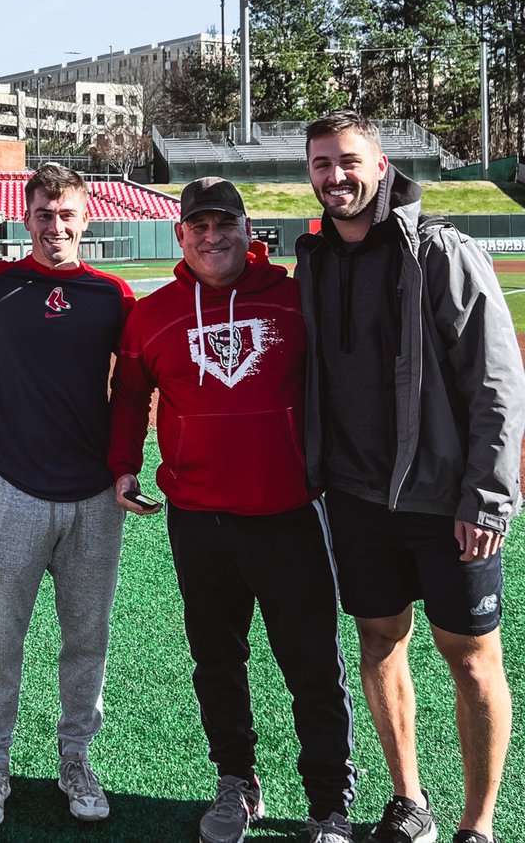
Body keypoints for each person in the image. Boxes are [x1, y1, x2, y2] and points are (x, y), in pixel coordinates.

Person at [298, 111, 524, 843]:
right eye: (322, 164)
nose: (336, 176)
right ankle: (410, 802)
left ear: (381, 162)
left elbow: (496, 385)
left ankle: (479, 825)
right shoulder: (315, 260)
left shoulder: (441, 252)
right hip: (357, 500)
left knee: (470, 658)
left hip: (448, 500)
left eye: (348, 160)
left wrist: (486, 500)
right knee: (378, 644)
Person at [109, 177, 357, 843]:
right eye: (200, 227)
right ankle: (236, 782)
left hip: (291, 514)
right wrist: (125, 465)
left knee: (311, 664)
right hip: (199, 519)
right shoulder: (153, 314)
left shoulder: (295, 299)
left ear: (250, 230)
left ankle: (329, 805)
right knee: (217, 660)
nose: (212, 237)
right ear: (180, 236)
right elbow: (130, 396)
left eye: (225, 225)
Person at [0, 163, 134, 831]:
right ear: (26, 215)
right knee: (0, 639)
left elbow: (133, 391)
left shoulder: (114, 295)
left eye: (67, 214)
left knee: (86, 639)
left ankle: (76, 758)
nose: (56, 226)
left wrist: (127, 466)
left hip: (95, 497)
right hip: (12, 487)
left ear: (86, 218)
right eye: (44, 213)